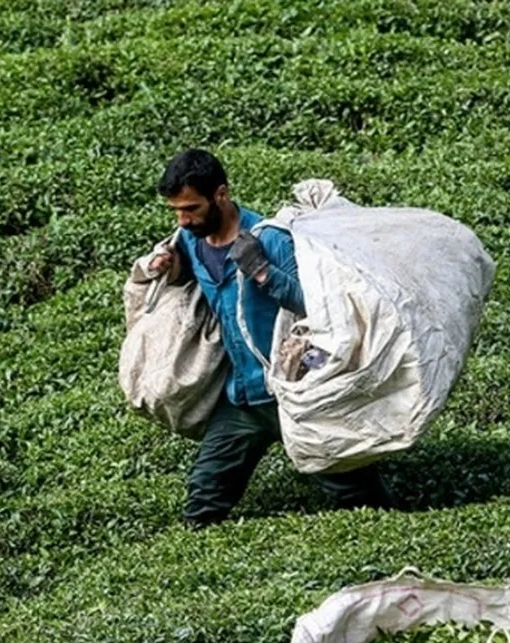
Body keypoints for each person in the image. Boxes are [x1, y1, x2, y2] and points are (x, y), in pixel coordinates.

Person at [147, 148, 395, 528]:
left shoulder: (272, 239)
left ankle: (391, 528)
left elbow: (316, 305)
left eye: (191, 208)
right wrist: (172, 267)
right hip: (244, 395)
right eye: (176, 211)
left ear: (221, 194)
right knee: (203, 497)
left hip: (295, 387)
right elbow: (197, 287)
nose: (183, 219)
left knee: (357, 492)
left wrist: (262, 272)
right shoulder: (191, 241)